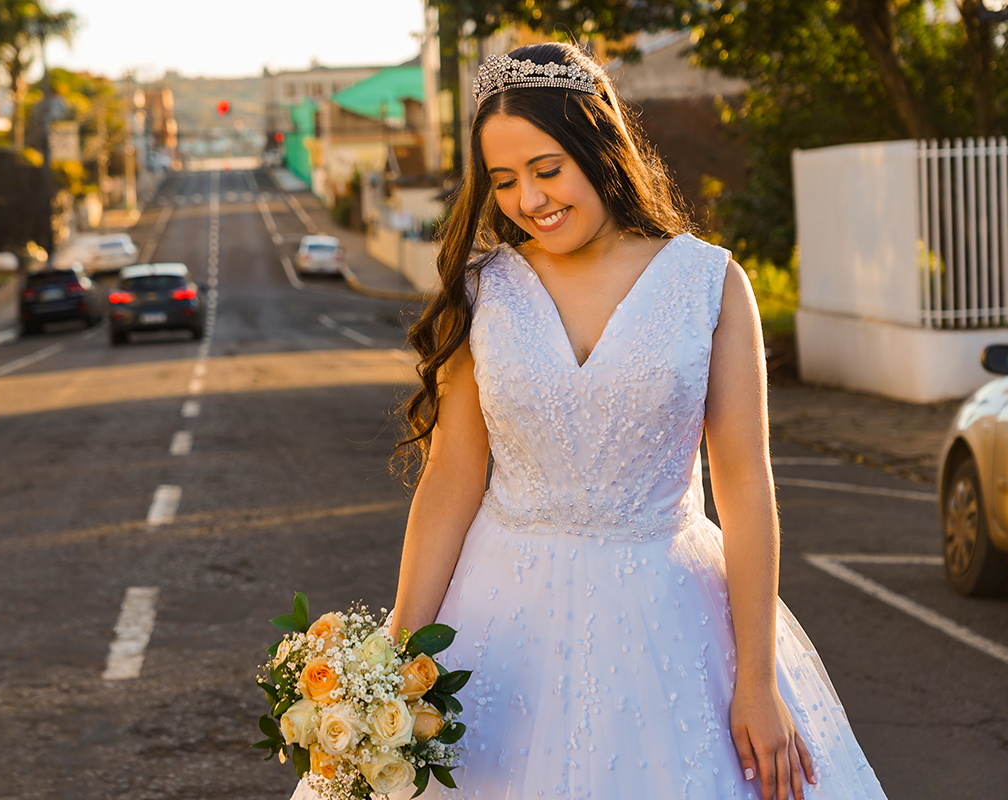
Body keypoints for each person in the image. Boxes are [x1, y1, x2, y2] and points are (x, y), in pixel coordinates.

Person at [294, 42, 888, 800]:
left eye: (548, 169)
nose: (529, 200)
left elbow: (745, 486)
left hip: (670, 617)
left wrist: (757, 678)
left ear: (598, 144)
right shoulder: (485, 295)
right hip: (498, 619)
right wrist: (393, 662)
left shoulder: (710, 285)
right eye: (504, 181)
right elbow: (449, 480)